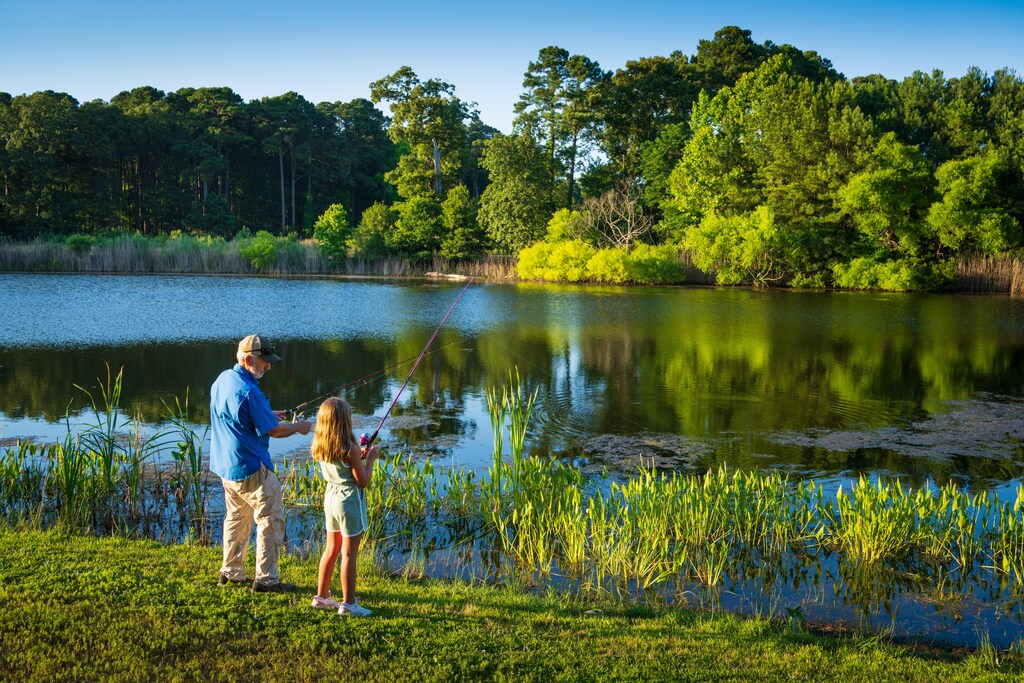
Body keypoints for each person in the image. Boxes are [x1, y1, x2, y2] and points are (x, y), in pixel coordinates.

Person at [210, 334, 312, 592]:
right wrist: (299, 427)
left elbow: (239, 415)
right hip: (252, 468)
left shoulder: (223, 379)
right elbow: (275, 432)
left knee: (236, 518)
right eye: (264, 361)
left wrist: (268, 414)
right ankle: (267, 580)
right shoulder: (249, 392)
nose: (269, 366)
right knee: (270, 520)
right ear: (247, 359)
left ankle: (231, 573)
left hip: (227, 467)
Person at [309, 396, 378, 616]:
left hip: (330, 498)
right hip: (348, 501)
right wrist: (371, 459)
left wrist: (359, 457)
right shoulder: (351, 448)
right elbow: (362, 481)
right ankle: (348, 604)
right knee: (349, 555)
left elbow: (345, 466)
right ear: (344, 421)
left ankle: (321, 597)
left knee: (331, 549)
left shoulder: (320, 446)